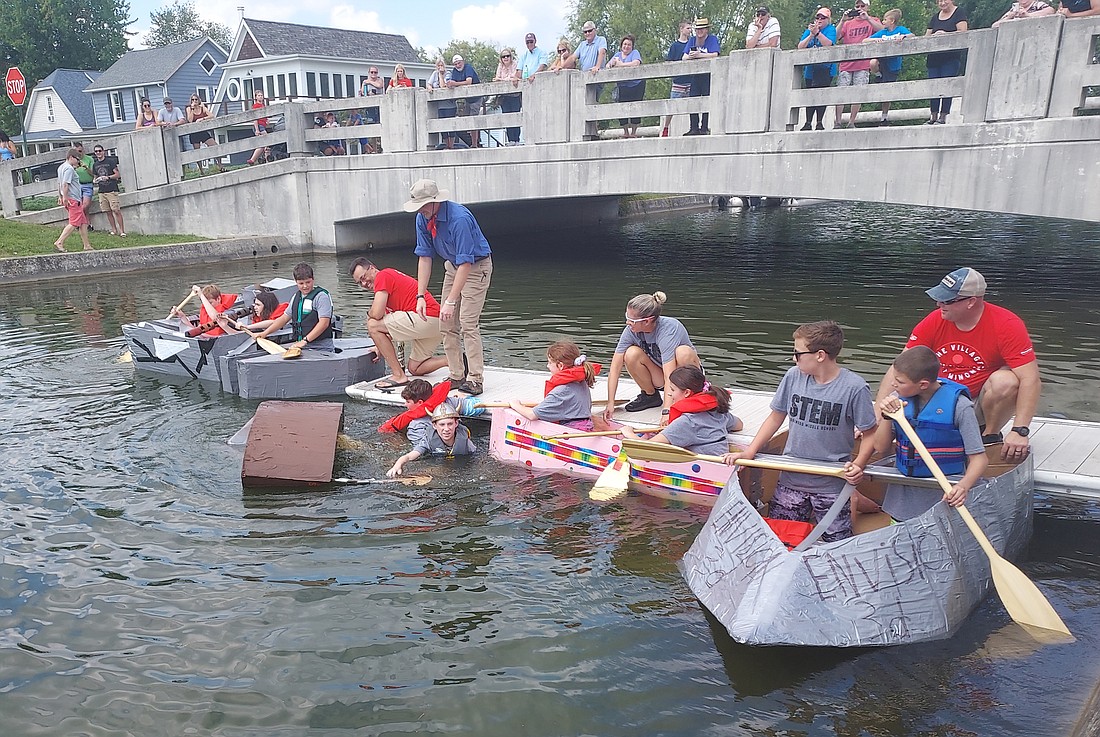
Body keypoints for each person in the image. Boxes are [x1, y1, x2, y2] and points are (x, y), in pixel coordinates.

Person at [724, 320, 877, 543]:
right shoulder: (793, 376)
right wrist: (749, 452)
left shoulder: (854, 388)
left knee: (835, 543)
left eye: (797, 353)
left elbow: (870, 432)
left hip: (831, 483)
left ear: (820, 355)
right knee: (780, 540)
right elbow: (776, 416)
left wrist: (859, 464)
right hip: (790, 479)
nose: (793, 358)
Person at [876, 267, 1040, 462]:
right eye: (939, 298)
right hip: (935, 397)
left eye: (947, 300)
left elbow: (1031, 379)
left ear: (971, 301)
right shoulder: (935, 319)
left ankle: (988, 437)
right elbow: (899, 368)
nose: (939, 304)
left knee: (1006, 380)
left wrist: (1020, 430)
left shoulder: (1007, 324)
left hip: (974, 402)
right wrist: (877, 414)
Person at [874, 346, 988, 521]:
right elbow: (880, 447)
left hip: (943, 496)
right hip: (903, 499)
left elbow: (979, 459)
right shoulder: (898, 400)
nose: (893, 385)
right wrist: (886, 417)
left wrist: (963, 486)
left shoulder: (961, 407)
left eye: (900, 381)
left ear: (923, 384)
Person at [405, 179, 493, 395]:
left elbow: (467, 262)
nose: (422, 210)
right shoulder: (422, 217)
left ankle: (475, 379)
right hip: (453, 266)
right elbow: (424, 257)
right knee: (446, 324)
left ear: (436, 201)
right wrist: (420, 296)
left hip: (475, 266)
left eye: (425, 205)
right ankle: (456, 374)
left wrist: (451, 302)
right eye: (418, 206)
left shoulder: (459, 219)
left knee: (468, 323)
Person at [602, 291, 702, 421]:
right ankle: (650, 396)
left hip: (680, 373)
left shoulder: (668, 329)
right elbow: (615, 368)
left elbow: (669, 375)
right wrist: (610, 403)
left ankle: (696, 393)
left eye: (632, 320)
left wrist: (667, 412)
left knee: (683, 352)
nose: (627, 322)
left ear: (647, 321)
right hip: (659, 373)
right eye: (627, 317)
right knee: (631, 353)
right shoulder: (631, 331)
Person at [350, 257, 448, 388]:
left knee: (372, 324)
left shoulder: (383, 276)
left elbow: (377, 314)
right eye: (359, 282)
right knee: (415, 368)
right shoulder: (387, 287)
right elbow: (389, 329)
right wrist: (379, 346)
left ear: (372, 268)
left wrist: (369, 314)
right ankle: (454, 361)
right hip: (437, 323)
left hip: (426, 316)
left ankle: (399, 375)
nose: (363, 283)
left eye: (363, 277)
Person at [621, 366, 743, 456]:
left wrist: (629, 433)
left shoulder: (688, 422)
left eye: (673, 390)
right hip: (720, 464)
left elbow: (648, 447)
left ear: (687, 393)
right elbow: (739, 425)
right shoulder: (718, 411)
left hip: (705, 469)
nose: (669, 393)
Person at [509, 341, 600, 431]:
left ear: (560, 365)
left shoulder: (561, 391)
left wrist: (515, 404)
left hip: (571, 433)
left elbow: (532, 415)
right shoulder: (581, 382)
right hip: (586, 426)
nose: (547, 366)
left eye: (549, 362)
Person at [255, 262, 334, 352]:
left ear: (313, 279)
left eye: (308, 282)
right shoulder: (296, 297)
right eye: (301, 283)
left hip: (321, 347)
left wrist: (305, 340)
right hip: (302, 345)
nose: (305, 286)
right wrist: (265, 333)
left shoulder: (321, 296)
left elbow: (324, 323)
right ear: (296, 282)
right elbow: (284, 318)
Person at [386, 403, 477, 478]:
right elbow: (410, 456)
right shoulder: (428, 440)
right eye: (442, 425)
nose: (446, 429)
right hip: (435, 462)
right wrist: (398, 464)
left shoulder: (465, 442)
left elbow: (476, 458)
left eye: (450, 424)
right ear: (434, 426)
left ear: (456, 423)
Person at [834, 0, 883, 129]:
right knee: (841, 93)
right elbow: (835, 36)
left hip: (863, 63)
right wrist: (842, 20)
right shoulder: (848, 23)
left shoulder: (873, 20)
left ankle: (851, 121)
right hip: (846, 63)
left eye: (863, 6)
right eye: (857, 6)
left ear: (867, 7)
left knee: (858, 93)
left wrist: (867, 18)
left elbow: (883, 30)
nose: (860, 8)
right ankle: (838, 122)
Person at [865, 9, 914, 124]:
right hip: (882, 62)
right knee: (872, 63)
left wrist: (903, 37)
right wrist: (876, 39)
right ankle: (878, 75)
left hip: (893, 64)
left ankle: (884, 116)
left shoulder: (900, 30)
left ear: (892, 21)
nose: (883, 21)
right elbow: (865, 40)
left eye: (885, 19)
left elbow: (912, 35)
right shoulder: (884, 32)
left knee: (887, 92)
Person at [925, 0, 968, 125]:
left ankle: (943, 116)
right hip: (934, 57)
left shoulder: (959, 13)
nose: (942, 3)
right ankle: (933, 115)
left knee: (947, 84)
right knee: (933, 86)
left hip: (950, 57)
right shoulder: (935, 17)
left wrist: (946, 34)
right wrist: (934, 35)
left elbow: (963, 32)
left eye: (945, 0)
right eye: (939, 1)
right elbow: (927, 35)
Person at [797, 7, 837, 130]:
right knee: (810, 96)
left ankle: (819, 122)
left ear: (828, 20)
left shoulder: (831, 30)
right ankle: (808, 122)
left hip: (825, 68)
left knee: (821, 95)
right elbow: (800, 47)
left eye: (823, 18)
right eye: (818, 17)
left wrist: (818, 34)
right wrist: (810, 35)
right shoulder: (808, 31)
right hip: (810, 69)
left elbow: (828, 44)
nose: (819, 20)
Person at [681, 18, 720, 135]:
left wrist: (700, 55)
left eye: (702, 29)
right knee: (693, 100)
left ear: (707, 30)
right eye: (697, 29)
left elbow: (715, 54)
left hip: (708, 76)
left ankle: (704, 127)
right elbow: (684, 57)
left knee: (707, 101)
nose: (699, 31)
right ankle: (693, 127)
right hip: (695, 75)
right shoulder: (692, 40)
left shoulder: (712, 39)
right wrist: (692, 56)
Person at [53, 148, 92, 252]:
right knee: (74, 223)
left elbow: (59, 184)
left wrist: (60, 196)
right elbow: (65, 184)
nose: (78, 161)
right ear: (71, 157)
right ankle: (59, 241)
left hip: (70, 198)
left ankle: (86, 245)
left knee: (83, 222)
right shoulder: (69, 169)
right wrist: (65, 198)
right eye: (77, 159)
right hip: (73, 199)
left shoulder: (61, 167)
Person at [607, 34, 645, 139]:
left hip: (636, 84)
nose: (626, 46)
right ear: (621, 45)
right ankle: (625, 132)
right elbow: (607, 65)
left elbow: (636, 63)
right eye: (624, 44)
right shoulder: (617, 55)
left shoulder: (635, 53)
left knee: (635, 107)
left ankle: (633, 132)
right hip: (623, 85)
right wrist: (613, 64)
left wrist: (621, 65)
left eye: (629, 45)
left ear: (632, 46)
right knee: (621, 107)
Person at [661, 21, 693, 137]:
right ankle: (665, 127)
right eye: (688, 28)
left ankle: (693, 127)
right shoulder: (674, 46)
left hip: (691, 79)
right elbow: (669, 62)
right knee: (672, 106)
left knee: (693, 105)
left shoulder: (692, 43)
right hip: (678, 80)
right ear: (681, 29)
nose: (690, 30)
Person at [173, 284, 239, 337]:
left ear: (218, 299)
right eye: (205, 303)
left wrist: (201, 295)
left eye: (210, 303)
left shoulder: (228, 313)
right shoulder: (205, 312)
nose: (207, 306)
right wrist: (182, 316)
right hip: (204, 338)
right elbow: (197, 331)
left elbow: (215, 317)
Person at [428, 58, 464, 150]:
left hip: (450, 105)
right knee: (442, 126)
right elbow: (429, 84)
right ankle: (446, 145)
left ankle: (451, 145)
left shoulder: (448, 74)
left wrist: (440, 75)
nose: (440, 67)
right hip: (440, 106)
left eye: (442, 65)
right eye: (438, 66)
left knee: (450, 125)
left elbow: (443, 85)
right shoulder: (434, 74)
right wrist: (430, 87)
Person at [91, 144, 125, 237]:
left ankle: (122, 231)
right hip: (102, 191)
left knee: (116, 210)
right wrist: (96, 180)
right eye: (96, 151)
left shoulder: (110, 161)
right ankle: (114, 230)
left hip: (112, 189)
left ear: (103, 151)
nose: (98, 153)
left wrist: (108, 177)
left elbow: (117, 174)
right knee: (107, 211)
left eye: (99, 151)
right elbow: (94, 177)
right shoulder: (95, 164)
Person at [448, 55, 482, 148]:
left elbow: (469, 81)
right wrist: (450, 84)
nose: (458, 65)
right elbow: (452, 82)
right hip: (467, 98)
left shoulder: (468, 68)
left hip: (476, 97)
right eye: (455, 64)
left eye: (459, 63)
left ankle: (475, 143)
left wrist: (454, 84)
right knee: (467, 120)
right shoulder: (455, 71)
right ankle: (473, 142)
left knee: (473, 119)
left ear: (463, 61)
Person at [217, 291, 288, 334]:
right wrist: (224, 326)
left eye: (258, 305)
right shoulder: (258, 318)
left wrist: (248, 327)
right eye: (255, 304)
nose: (255, 307)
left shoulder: (282, 309)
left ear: (267, 306)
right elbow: (241, 335)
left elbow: (274, 322)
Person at [495, 47, 522, 146]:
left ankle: (517, 140)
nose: (506, 58)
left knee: (516, 116)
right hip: (504, 96)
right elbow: (497, 77)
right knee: (507, 117)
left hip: (515, 95)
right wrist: (505, 79)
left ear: (511, 57)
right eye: (503, 56)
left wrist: (503, 79)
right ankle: (510, 140)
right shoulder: (500, 66)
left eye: (508, 56)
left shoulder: (515, 64)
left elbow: (515, 77)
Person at [185, 94, 217, 170]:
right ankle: (201, 171)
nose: (194, 101)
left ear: (198, 100)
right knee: (197, 152)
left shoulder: (202, 108)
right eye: (192, 100)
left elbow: (212, 115)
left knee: (215, 146)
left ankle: (220, 166)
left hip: (203, 131)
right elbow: (189, 120)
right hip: (194, 133)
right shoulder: (189, 109)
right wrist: (192, 109)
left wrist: (202, 118)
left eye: (196, 99)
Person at [72, 142, 95, 224]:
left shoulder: (89, 159)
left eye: (80, 151)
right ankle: (87, 224)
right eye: (76, 152)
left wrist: (86, 168)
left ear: (83, 150)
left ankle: (76, 220)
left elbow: (93, 173)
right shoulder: (73, 160)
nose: (78, 153)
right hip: (77, 185)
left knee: (85, 205)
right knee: (81, 205)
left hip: (87, 184)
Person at [247, 90, 269, 165]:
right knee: (266, 140)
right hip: (259, 126)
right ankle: (265, 159)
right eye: (259, 95)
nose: (260, 97)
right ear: (256, 97)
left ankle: (253, 160)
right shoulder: (255, 106)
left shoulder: (263, 105)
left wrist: (267, 120)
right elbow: (255, 118)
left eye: (261, 95)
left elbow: (264, 116)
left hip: (263, 125)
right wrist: (257, 129)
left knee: (263, 144)